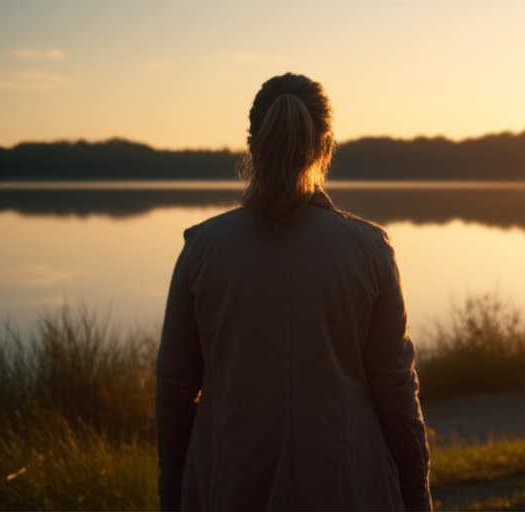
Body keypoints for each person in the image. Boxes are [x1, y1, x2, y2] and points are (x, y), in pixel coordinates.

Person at [156, 73, 431, 511]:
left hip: (224, 489)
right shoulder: (369, 251)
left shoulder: (201, 251)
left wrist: (172, 497)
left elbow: (173, 391)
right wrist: (417, 500)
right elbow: (397, 395)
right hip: (347, 489)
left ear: (252, 146)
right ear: (325, 146)